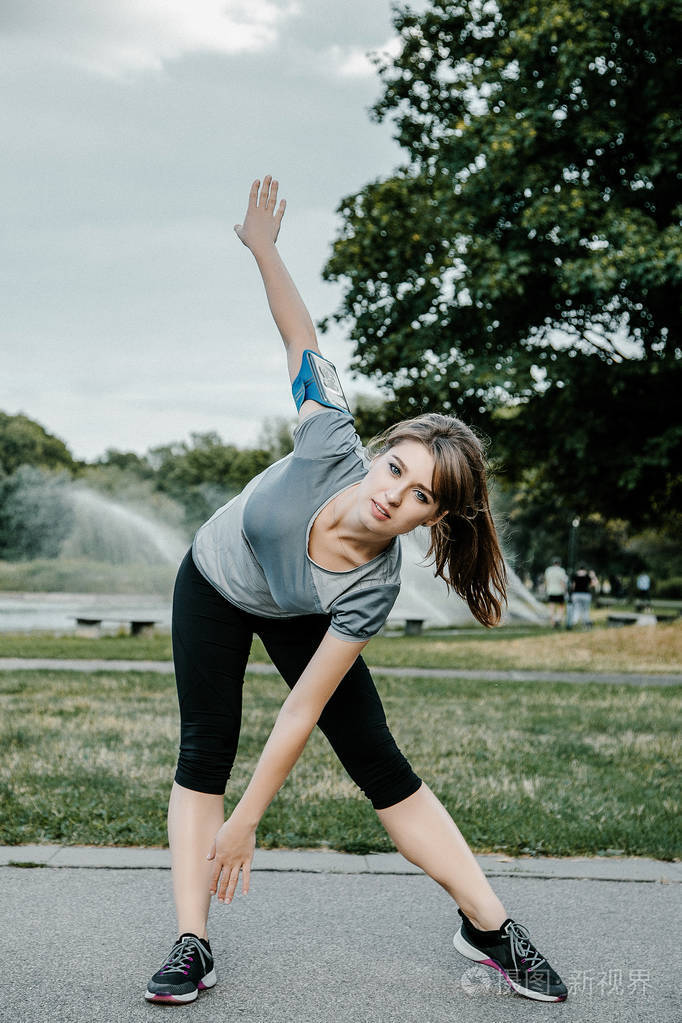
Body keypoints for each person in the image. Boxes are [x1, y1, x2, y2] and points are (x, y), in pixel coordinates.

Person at [145, 176, 568, 1006]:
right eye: (397, 467)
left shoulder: (370, 590)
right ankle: (192, 940)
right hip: (215, 583)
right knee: (205, 751)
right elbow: (299, 331)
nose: (394, 494)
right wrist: (264, 249)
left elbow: (300, 711)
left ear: (431, 519)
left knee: (381, 763)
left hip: (306, 609)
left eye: (419, 496)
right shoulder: (327, 431)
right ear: (380, 451)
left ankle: (487, 923)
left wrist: (251, 819)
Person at [544, 557, 568, 628]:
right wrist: (565, 591)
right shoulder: (561, 570)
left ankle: (552, 622)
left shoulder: (548, 570)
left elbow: (546, 581)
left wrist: (546, 590)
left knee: (551, 607)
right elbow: (562, 582)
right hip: (559, 591)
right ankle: (558, 619)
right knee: (561, 606)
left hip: (550, 591)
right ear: (559, 563)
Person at [570, 564, 594, 628]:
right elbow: (592, 584)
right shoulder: (587, 576)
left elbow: (573, 586)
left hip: (576, 594)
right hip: (586, 594)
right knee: (586, 610)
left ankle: (573, 621)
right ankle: (586, 622)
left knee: (576, 609)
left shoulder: (575, 576)